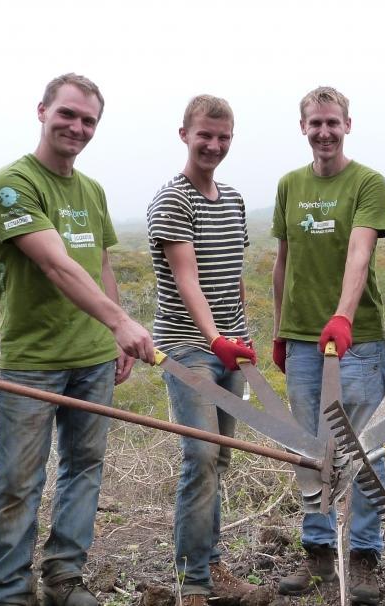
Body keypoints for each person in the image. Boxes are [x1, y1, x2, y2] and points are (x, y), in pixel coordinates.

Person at [0, 73, 156, 606]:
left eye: (88, 120)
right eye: (68, 114)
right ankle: (9, 590)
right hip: (34, 360)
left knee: (84, 469)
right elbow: (56, 266)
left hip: (93, 360)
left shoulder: (91, 189)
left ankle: (64, 579)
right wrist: (119, 323)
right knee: (19, 479)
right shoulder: (14, 183)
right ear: (42, 111)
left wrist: (114, 334)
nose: (77, 127)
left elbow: (99, 262)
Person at [271, 86, 385, 604]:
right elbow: (283, 260)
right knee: (310, 449)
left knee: (364, 447)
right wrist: (279, 329)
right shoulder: (288, 185)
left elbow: (360, 255)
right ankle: (318, 550)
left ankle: (364, 553)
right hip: (301, 341)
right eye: (315, 123)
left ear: (348, 125)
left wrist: (342, 317)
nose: (324, 132)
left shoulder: (367, 182)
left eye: (333, 123)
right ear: (303, 127)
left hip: (356, 340)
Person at [146, 94, 258, 606]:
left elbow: (230, 277)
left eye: (223, 137)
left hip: (231, 346)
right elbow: (186, 280)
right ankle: (193, 583)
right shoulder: (173, 201)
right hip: (189, 349)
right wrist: (216, 341)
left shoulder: (232, 199)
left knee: (222, 459)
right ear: (184, 134)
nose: (213, 145)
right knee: (201, 454)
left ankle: (212, 563)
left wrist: (243, 335)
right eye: (204, 135)